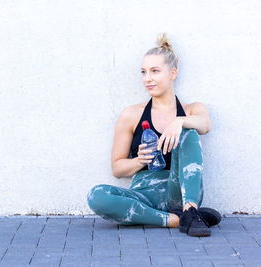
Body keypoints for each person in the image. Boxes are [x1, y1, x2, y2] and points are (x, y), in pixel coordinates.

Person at [86, 33, 221, 237]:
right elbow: (117, 168)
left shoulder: (193, 109)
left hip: (180, 194)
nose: (147, 78)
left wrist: (180, 121)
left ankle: (190, 210)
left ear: (172, 73)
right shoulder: (131, 115)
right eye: (143, 72)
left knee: (189, 132)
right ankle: (178, 220)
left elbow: (205, 125)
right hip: (144, 194)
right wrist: (140, 161)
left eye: (155, 71)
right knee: (96, 196)